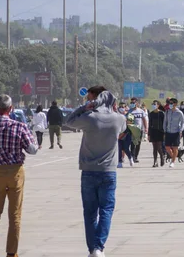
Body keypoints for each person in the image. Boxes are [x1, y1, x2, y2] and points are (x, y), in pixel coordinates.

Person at [66, 89, 126, 257]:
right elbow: (122, 131)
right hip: (108, 171)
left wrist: (85, 107)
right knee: (106, 209)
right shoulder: (119, 119)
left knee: (90, 212)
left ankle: (93, 248)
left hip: (88, 171)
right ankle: (98, 247)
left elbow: (69, 121)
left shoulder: (90, 118)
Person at [0, 94, 38, 257]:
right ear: (11, 109)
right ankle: (11, 252)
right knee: (15, 215)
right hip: (15, 172)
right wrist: (34, 139)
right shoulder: (19, 127)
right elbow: (32, 150)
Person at [164, 98, 184, 168]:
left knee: (175, 147)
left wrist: (181, 130)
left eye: (171, 103)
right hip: (168, 131)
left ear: (175, 104)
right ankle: (174, 156)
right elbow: (165, 122)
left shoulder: (179, 113)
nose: (170, 105)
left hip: (176, 132)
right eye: (169, 103)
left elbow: (182, 122)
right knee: (167, 147)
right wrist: (164, 129)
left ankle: (172, 161)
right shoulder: (167, 112)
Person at [128, 97, 148, 163]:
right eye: (131, 103)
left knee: (138, 144)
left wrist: (146, 128)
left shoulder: (140, 111)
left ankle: (136, 156)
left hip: (140, 129)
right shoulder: (130, 111)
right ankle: (133, 157)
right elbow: (129, 122)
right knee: (133, 144)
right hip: (133, 130)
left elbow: (144, 120)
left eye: (133, 102)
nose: (132, 104)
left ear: (137, 103)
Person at [148, 100, 165, 167]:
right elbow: (150, 124)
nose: (153, 105)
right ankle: (155, 162)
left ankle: (162, 156)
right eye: (153, 104)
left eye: (155, 104)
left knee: (158, 147)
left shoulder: (162, 113)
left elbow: (164, 123)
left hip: (160, 132)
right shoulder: (151, 113)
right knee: (154, 147)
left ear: (158, 105)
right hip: (153, 131)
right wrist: (149, 134)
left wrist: (164, 133)